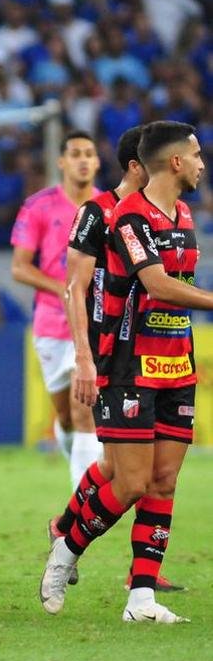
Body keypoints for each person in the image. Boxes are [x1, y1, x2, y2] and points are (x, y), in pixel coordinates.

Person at [41, 120, 205, 624]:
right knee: (126, 479)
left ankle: (141, 599)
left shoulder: (182, 212)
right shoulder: (108, 216)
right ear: (159, 163)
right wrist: (85, 357)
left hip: (176, 361)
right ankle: (66, 545)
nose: (202, 163)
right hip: (125, 360)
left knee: (160, 480)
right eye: (196, 155)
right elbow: (77, 287)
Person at [11, 130, 101, 488]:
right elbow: (19, 266)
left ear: (96, 162)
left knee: (85, 414)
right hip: (50, 326)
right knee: (65, 418)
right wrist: (63, 289)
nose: (82, 160)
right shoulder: (39, 206)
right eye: (75, 153)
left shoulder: (108, 207)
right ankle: (79, 467)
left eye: (89, 153)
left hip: (92, 325)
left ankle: (85, 505)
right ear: (62, 162)